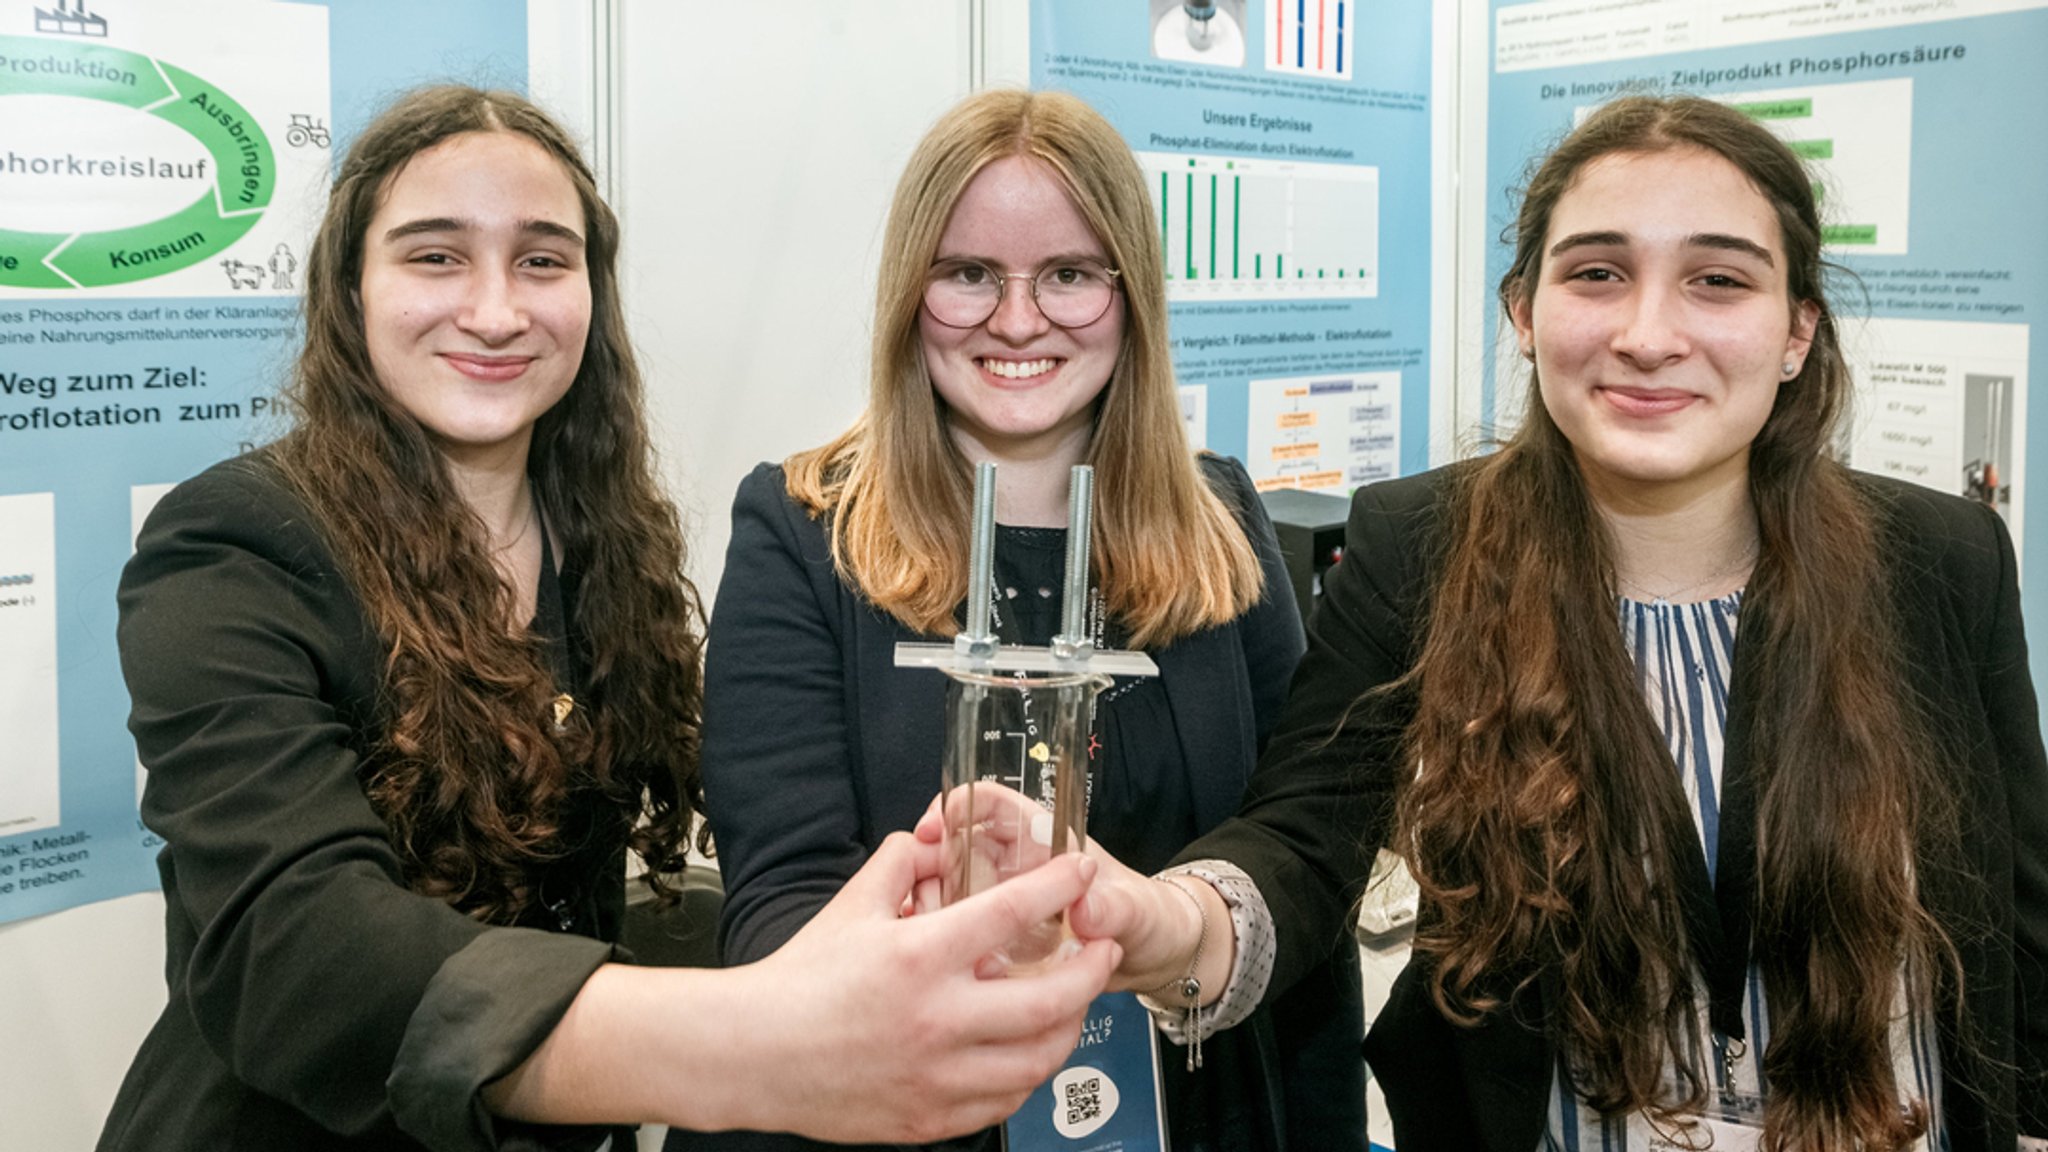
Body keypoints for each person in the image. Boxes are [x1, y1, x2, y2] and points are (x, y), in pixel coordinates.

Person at [99, 84, 1118, 1152]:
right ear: (350, 289)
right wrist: (752, 1043)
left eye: (542, 259)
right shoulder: (237, 544)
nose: (496, 310)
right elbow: (290, 946)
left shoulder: (604, 547)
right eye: (434, 256)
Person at [1059, 94, 2048, 1151]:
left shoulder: (1940, 559)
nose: (1647, 335)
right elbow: (1302, 842)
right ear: (1523, 313)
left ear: (1796, 329)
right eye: (1595, 273)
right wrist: (1165, 923)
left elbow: (2017, 922)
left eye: (1716, 280)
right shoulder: (1418, 544)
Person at [670, 89, 1364, 1152]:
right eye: (968, 275)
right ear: (912, 291)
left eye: (1070, 276)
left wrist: (1167, 936)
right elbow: (779, 907)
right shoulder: (800, 531)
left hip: (1187, 1108)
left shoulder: (1218, 516)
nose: (1017, 319)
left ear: (1130, 294)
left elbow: (1297, 860)